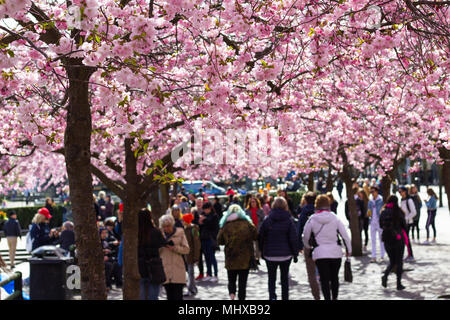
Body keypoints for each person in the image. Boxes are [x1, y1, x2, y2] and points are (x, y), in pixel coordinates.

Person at [303, 195, 352, 300]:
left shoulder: (312, 219)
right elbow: (345, 236)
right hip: (335, 252)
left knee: (324, 279)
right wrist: (349, 249)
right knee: (334, 278)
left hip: (320, 253)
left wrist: (308, 246)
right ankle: (335, 297)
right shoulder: (335, 218)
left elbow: (305, 236)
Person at [259, 197, 299, 300]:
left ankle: (272, 297)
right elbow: (293, 238)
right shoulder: (289, 220)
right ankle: (285, 298)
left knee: (271, 278)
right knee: (284, 278)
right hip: (286, 254)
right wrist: (295, 253)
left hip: (270, 254)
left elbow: (261, 236)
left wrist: (261, 251)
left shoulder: (267, 219)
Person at [218, 204, 258, 300]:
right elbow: (256, 235)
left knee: (231, 280)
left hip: (231, 258)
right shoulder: (247, 224)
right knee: (242, 283)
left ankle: (232, 295)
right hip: (245, 258)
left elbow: (219, 241)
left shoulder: (225, 226)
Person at [159, 215, 190, 300]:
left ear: (172, 224)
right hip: (165, 269)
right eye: (164, 227)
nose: (166, 229)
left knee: (178, 295)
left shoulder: (180, 233)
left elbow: (187, 249)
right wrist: (160, 245)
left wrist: (175, 248)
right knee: (169, 296)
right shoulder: (160, 235)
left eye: (168, 226)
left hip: (178, 269)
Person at [138, 208, 166, 300]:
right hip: (154, 264)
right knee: (153, 295)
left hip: (140, 264)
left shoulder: (136, 233)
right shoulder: (156, 231)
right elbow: (163, 243)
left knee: (142, 294)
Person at [379, 195, 407, 290]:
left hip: (387, 239)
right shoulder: (398, 211)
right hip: (398, 239)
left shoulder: (383, 212)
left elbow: (380, 225)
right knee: (399, 261)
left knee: (392, 261)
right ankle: (398, 284)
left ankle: (385, 276)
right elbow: (404, 225)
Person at [297, 191, 321, 300]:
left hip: (308, 244)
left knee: (310, 272)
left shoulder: (304, 212)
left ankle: (316, 295)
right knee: (322, 266)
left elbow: (299, 230)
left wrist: (298, 245)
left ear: (306, 201)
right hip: (321, 243)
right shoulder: (320, 212)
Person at [199, 202, 219, 282]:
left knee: (212, 257)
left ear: (210, 208)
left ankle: (216, 274)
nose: (205, 211)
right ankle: (209, 274)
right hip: (203, 238)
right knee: (206, 257)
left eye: (206, 209)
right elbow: (201, 226)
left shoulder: (214, 216)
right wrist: (200, 222)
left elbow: (213, 226)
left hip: (211, 239)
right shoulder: (203, 215)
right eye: (204, 209)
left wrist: (205, 220)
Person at [182, 213, 201, 297]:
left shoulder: (193, 229)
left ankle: (191, 290)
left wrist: (196, 257)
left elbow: (197, 244)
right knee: (190, 273)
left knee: (191, 273)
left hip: (191, 255)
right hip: (186, 255)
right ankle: (193, 288)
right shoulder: (185, 229)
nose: (182, 222)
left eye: (183, 220)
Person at [245, 197, 265, 265]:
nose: (253, 203)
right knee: (251, 246)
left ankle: (257, 258)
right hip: (250, 230)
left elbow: (263, 220)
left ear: (257, 202)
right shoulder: (247, 211)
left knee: (258, 246)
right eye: (251, 202)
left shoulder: (260, 210)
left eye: (254, 202)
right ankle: (252, 259)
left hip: (258, 230)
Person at [368, 186, 385, 262]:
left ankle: (382, 256)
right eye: (371, 192)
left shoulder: (381, 200)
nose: (372, 193)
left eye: (373, 191)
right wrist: (368, 214)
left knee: (381, 239)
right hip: (372, 221)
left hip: (379, 221)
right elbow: (369, 211)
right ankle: (373, 256)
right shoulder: (370, 201)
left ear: (377, 191)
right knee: (373, 240)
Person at [399, 186, 416, 261]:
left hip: (408, 223)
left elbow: (414, 212)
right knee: (404, 239)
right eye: (399, 192)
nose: (400, 193)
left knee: (406, 239)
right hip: (403, 223)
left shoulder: (409, 200)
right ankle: (409, 254)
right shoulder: (402, 200)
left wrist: (406, 218)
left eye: (401, 191)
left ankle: (411, 255)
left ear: (405, 191)